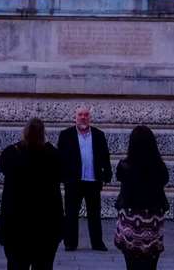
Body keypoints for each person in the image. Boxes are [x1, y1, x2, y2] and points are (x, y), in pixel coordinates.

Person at [0, 117, 62, 270]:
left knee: (16, 265)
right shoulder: (53, 155)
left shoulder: (11, 152)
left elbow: (2, 166)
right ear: (43, 133)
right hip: (46, 225)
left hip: (16, 224)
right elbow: (62, 172)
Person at [113, 125, 169, 270]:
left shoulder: (124, 166)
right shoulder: (159, 166)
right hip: (152, 220)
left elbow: (121, 180)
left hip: (131, 219)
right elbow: (164, 180)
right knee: (151, 263)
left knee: (131, 263)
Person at [57, 106, 112, 252]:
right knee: (71, 213)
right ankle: (70, 243)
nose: (83, 117)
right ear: (75, 117)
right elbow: (59, 158)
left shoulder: (99, 135)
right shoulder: (66, 135)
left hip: (93, 180)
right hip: (73, 181)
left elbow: (105, 156)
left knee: (94, 213)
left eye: (86, 115)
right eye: (80, 114)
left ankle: (97, 243)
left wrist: (107, 173)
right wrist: (62, 176)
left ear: (90, 117)